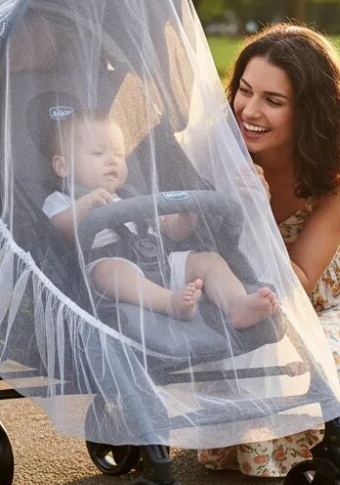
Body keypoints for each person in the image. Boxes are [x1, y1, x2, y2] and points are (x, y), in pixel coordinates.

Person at [198, 24, 340, 477]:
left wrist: (257, 215)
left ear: (309, 112)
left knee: (312, 361)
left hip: (322, 299)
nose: (250, 110)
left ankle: (334, 435)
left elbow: (299, 281)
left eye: (273, 101)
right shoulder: (213, 151)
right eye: (244, 91)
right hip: (242, 296)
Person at [43, 110, 279, 328]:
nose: (112, 160)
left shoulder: (132, 195)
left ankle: (237, 304)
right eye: (98, 153)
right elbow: (54, 232)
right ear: (62, 166)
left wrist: (188, 214)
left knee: (210, 260)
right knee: (107, 272)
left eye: (119, 154)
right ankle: (170, 303)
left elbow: (172, 230)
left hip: (160, 262)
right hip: (112, 263)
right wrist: (85, 205)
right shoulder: (60, 200)